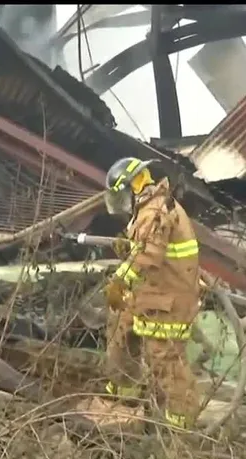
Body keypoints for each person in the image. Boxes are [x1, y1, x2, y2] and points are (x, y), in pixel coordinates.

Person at [95, 157, 200, 428]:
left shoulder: (156, 211)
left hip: (169, 300)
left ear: (133, 186)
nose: (121, 203)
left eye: (122, 195)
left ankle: (180, 429)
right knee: (121, 328)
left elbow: (149, 256)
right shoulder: (148, 209)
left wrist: (119, 280)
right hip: (152, 293)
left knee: (165, 361)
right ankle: (125, 398)